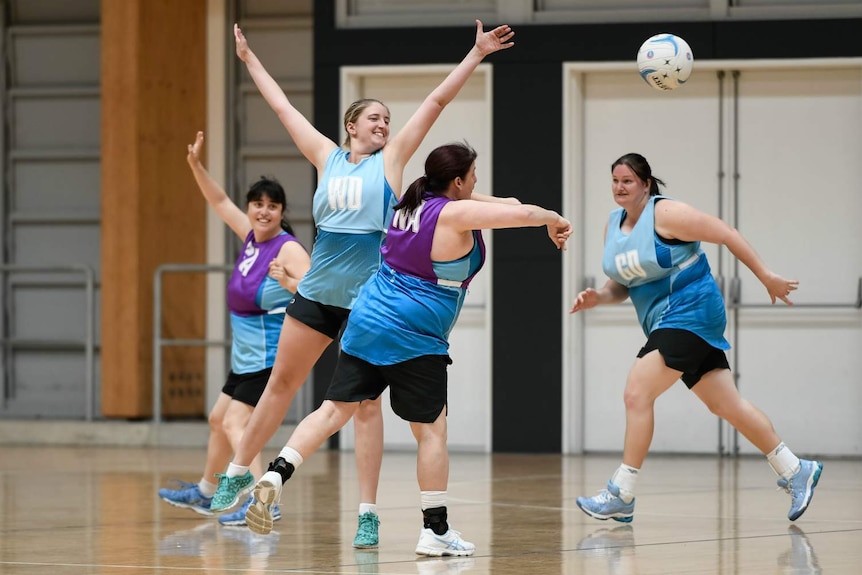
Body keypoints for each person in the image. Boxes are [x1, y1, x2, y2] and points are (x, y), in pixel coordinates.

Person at [210, 20, 517, 550]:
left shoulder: (392, 162)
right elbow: (284, 109)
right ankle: (240, 470)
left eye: (387, 120)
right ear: (351, 125)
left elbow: (436, 102)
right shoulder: (326, 157)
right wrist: (248, 59)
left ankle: (368, 513)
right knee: (282, 385)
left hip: (369, 305)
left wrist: (476, 53)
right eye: (375, 117)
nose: (384, 124)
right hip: (317, 294)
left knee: (363, 409)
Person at [237, 142, 572, 556]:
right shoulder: (453, 213)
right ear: (457, 181)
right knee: (431, 431)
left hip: (366, 321)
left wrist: (530, 213)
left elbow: (506, 203)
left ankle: (275, 474)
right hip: (414, 335)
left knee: (331, 412)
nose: (477, 183)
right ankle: (435, 530)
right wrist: (554, 218)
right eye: (473, 177)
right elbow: (519, 213)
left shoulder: (408, 202)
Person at [570, 153, 823, 523]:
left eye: (627, 181)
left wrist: (765, 275)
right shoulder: (613, 225)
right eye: (614, 180)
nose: (620, 187)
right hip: (666, 321)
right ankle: (795, 469)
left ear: (645, 184)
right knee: (726, 405)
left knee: (636, 392)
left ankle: (621, 493)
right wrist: (599, 297)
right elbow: (623, 284)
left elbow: (726, 233)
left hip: (692, 312)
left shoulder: (666, 214)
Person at [157, 131, 311, 527]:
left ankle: (264, 502)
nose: (263, 211)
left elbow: (317, 294)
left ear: (281, 212)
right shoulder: (250, 237)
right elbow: (218, 200)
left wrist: (289, 284)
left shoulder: (287, 248)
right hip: (245, 357)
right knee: (218, 419)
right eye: (257, 204)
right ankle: (208, 493)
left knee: (238, 424)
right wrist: (195, 166)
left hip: (268, 355)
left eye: (272, 206)